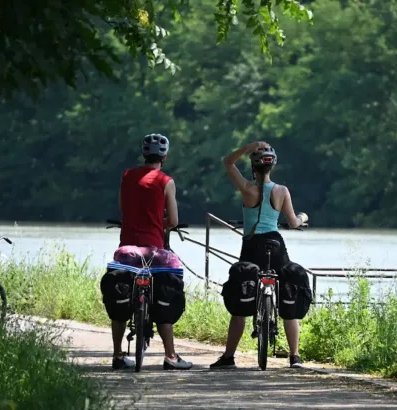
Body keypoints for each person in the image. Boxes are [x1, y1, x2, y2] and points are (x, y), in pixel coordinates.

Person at [210, 141, 309, 369]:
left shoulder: (247, 189)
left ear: (253, 168)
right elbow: (293, 222)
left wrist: (248, 147)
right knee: (287, 292)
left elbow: (228, 162)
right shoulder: (282, 191)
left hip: (251, 246)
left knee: (242, 293)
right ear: (272, 166)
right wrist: (303, 218)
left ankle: (228, 357)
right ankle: (295, 356)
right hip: (275, 245)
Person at [105, 133, 193, 371]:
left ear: (144, 154)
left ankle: (117, 354)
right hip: (155, 252)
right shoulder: (166, 181)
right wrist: (159, 223)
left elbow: (125, 209)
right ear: (165, 156)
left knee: (121, 297)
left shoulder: (127, 176)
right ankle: (171, 356)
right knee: (166, 291)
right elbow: (173, 220)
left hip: (127, 251)